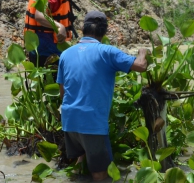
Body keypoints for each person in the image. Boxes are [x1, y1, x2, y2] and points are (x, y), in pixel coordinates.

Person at [57, 10, 149, 181]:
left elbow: (63, 94)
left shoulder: (65, 54)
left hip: (69, 122)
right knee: (101, 174)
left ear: (83, 29)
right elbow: (141, 66)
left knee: (81, 162)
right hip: (91, 122)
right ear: (104, 31)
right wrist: (143, 52)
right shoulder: (107, 52)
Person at [24, 0, 83, 67]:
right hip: (45, 49)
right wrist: (59, 26)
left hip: (48, 47)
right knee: (53, 81)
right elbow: (39, 15)